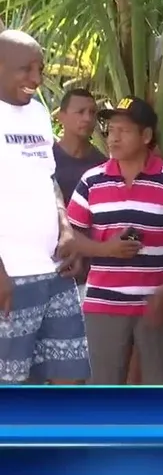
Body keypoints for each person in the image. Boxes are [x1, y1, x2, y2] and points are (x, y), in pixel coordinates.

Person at [67, 96, 163, 385]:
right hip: (103, 304)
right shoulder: (92, 180)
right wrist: (105, 249)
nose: (114, 137)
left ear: (146, 136)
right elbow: (69, 235)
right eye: (111, 129)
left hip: (157, 304)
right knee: (104, 388)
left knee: (157, 387)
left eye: (124, 130)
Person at [0, 29, 90, 384]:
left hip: (54, 272)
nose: (35, 79)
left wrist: (65, 227)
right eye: (26, 69)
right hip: (10, 277)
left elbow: (47, 178)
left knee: (68, 378)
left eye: (40, 69)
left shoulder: (38, 113)